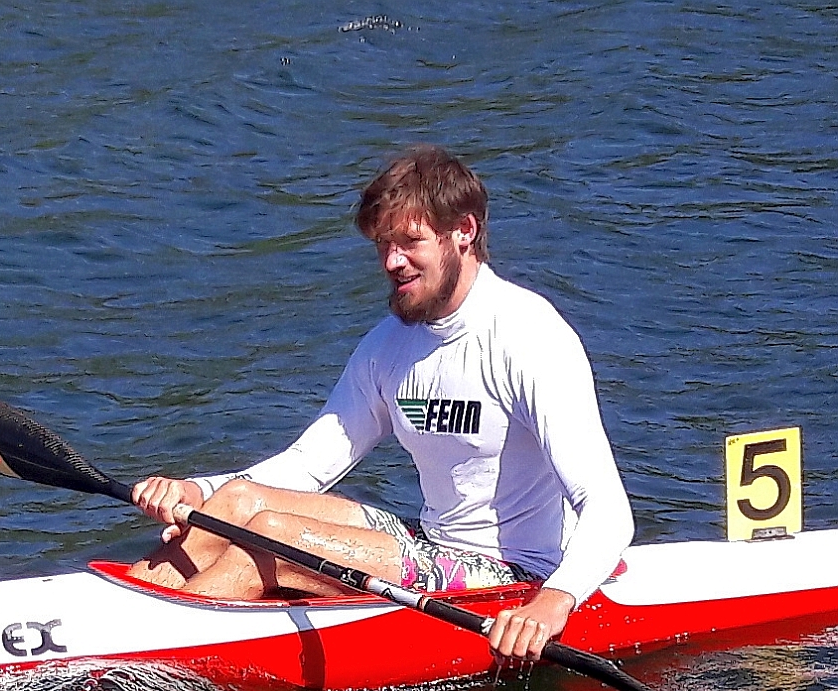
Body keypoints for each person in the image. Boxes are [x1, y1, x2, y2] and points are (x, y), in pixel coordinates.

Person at [128, 145, 634, 661]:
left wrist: (552, 602)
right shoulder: (390, 344)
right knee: (238, 503)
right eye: (383, 245)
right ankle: (122, 618)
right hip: (432, 541)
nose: (393, 262)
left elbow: (610, 512)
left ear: (464, 231)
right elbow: (308, 465)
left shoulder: (529, 337)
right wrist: (197, 490)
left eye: (410, 242)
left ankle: (139, 662)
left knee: (271, 536)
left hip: (514, 574)